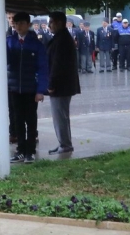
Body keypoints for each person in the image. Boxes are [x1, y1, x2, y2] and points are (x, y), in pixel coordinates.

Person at [7, 12, 48, 163]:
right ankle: (21, 150)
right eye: (16, 23)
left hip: (31, 88)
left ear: (28, 25)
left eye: (22, 23)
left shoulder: (36, 44)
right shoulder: (10, 41)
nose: (18, 26)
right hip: (14, 88)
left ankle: (30, 150)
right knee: (17, 120)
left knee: (30, 120)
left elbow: (43, 68)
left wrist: (40, 90)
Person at [45, 12, 80, 155]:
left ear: (59, 23)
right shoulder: (60, 38)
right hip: (62, 84)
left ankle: (65, 144)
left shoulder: (62, 39)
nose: (49, 25)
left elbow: (58, 65)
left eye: (51, 22)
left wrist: (51, 84)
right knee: (60, 115)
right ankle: (63, 142)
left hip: (61, 85)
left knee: (60, 116)